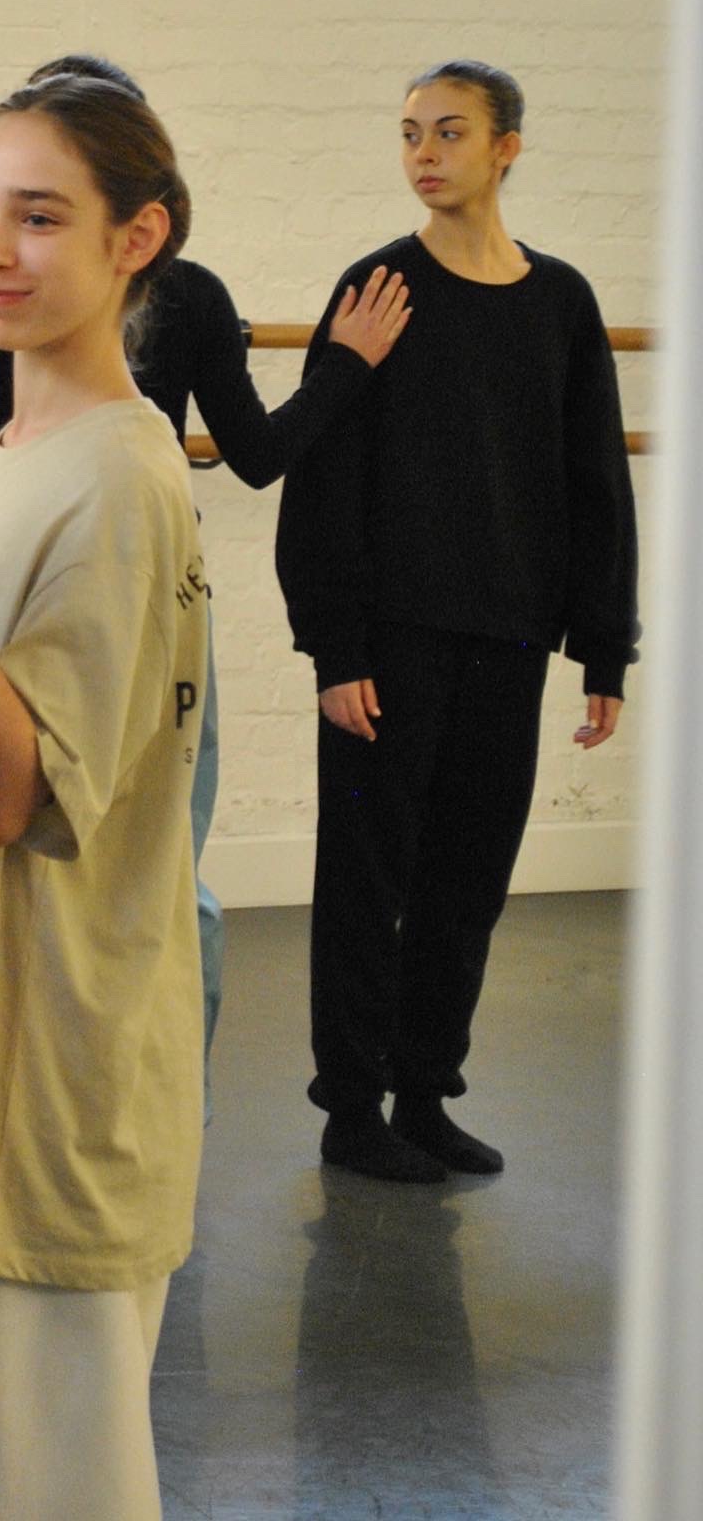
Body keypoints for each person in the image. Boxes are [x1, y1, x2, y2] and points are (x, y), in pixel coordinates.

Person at [0, 71, 223, 1520]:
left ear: (134, 241)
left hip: (65, 1061)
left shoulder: (118, 480)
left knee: (54, 1478)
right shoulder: (22, 455)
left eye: (40, 218)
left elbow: (17, 795)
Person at [0, 51, 410, 1085]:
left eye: (44, 213)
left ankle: (156, 1086)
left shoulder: (169, 340)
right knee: (109, 865)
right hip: (18, 565)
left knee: (149, 863)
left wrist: (345, 369)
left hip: (132, 582)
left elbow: (256, 454)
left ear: (135, 226)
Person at [275, 59, 639, 1184]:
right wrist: (335, 650)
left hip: (510, 637)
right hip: (389, 644)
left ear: (506, 148)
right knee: (368, 878)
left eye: (448, 132)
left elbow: (593, 483)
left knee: (468, 879)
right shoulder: (379, 288)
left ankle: (426, 1093)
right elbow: (322, 479)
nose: (424, 153)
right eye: (408, 134)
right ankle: (351, 1108)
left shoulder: (561, 301)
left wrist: (602, 646)